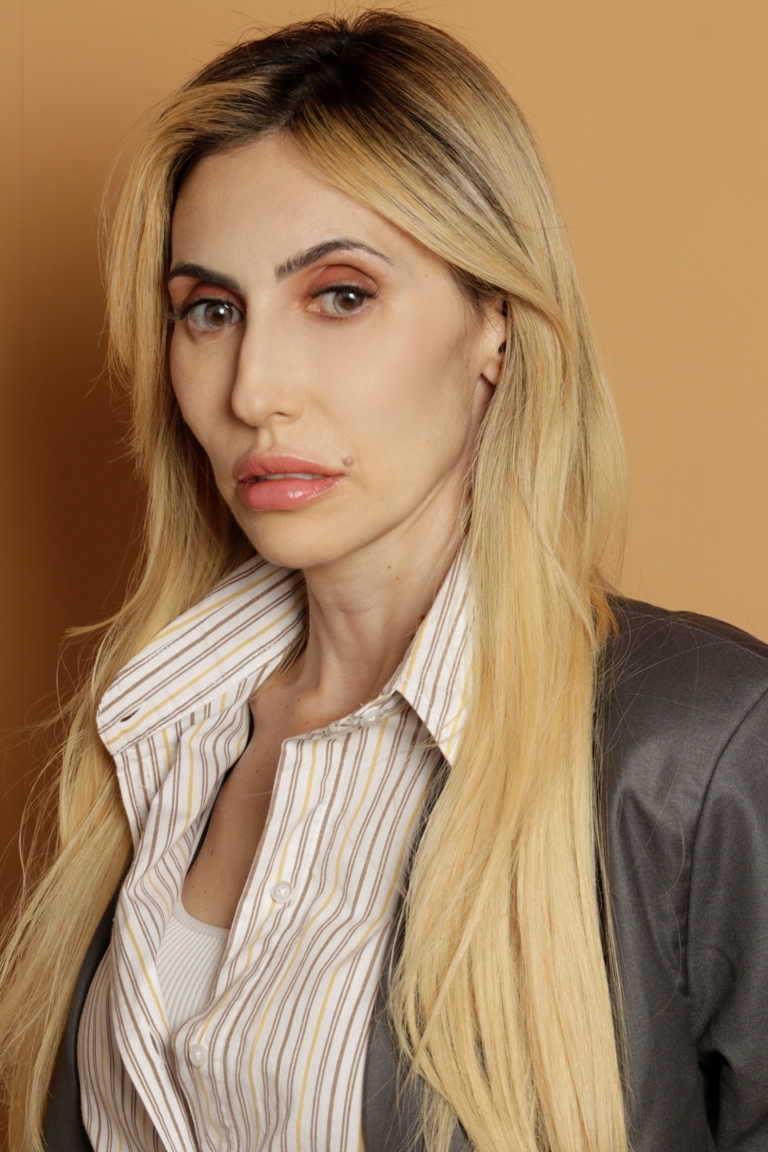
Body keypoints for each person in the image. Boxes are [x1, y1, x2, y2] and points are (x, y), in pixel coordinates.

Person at [2, 11, 767, 1152]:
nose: (253, 388)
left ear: (492, 326)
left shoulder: (697, 748)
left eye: (341, 295)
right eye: (211, 310)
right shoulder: (158, 730)